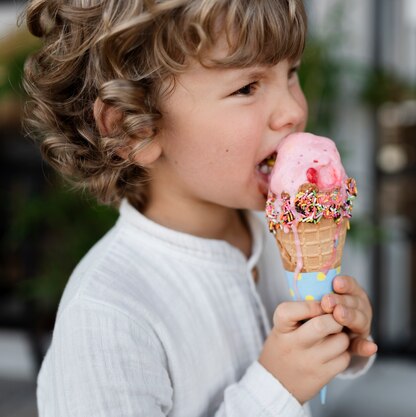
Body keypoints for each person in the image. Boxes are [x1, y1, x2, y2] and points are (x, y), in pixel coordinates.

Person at [22, 0, 377, 416]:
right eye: (247, 87)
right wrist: (276, 388)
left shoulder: (278, 235)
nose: (295, 111)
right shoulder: (107, 316)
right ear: (133, 129)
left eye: (291, 73)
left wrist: (334, 342)